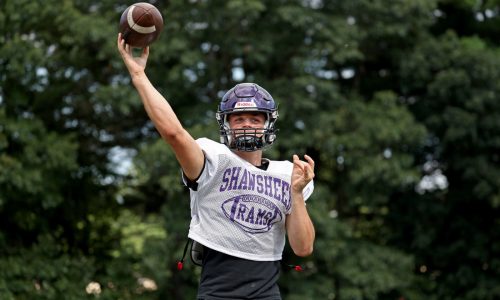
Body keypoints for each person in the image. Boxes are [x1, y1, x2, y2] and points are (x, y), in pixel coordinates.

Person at [117, 33, 315, 300]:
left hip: (266, 293)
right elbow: (174, 133)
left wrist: (296, 195)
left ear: (268, 125)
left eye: (255, 119)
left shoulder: (288, 175)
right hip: (218, 292)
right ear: (226, 125)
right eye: (239, 118)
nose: (247, 124)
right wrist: (139, 76)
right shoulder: (212, 159)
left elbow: (303, 248)